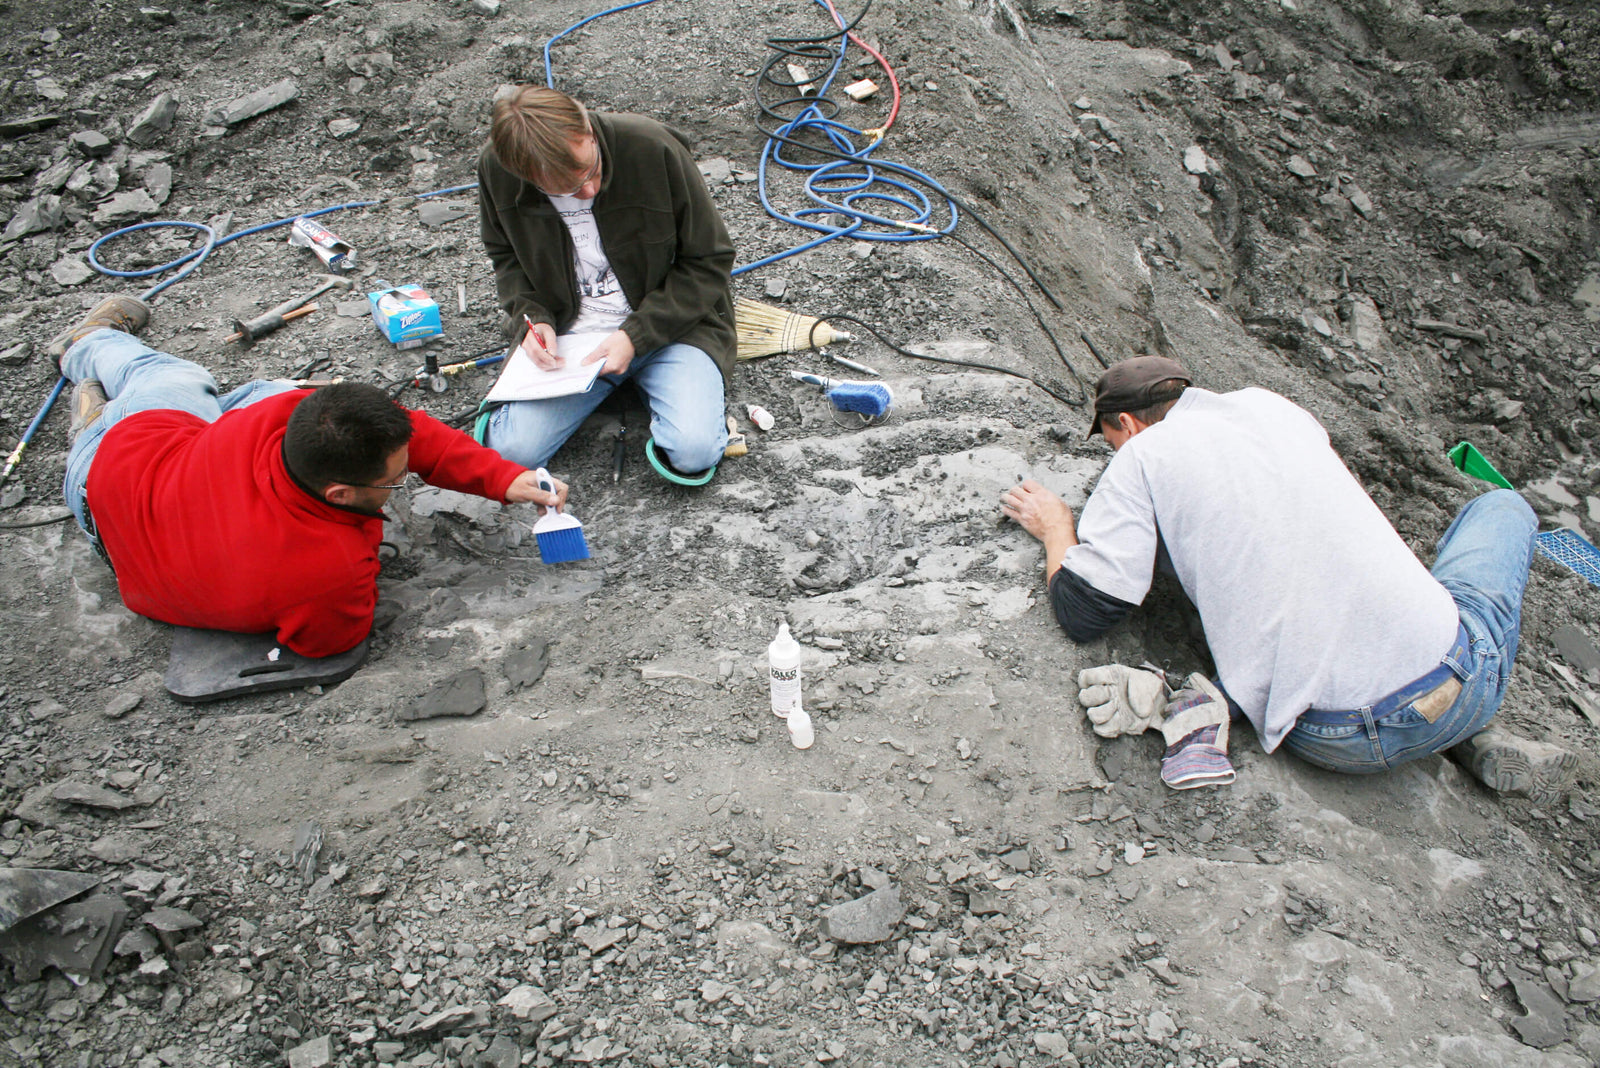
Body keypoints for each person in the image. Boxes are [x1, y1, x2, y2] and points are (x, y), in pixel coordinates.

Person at [1001, 354, 1575, 797]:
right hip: (1455, 677)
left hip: (1332, 737)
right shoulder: (1270, 406)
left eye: (1109, 442)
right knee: (1502, 510)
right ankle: (1469, 734)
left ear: (1125, 423)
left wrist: (1057, 529)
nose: (1112, 454)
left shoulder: (1142, 456)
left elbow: (1084, 612)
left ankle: (1457, 734)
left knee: (1498, 514)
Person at [49, 296, 567, 659]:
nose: (402, 483)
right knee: (171, 377)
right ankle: (86, 348)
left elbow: (408, 433)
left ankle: (99, 393)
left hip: (143, 461)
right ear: (338, 494)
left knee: (185, 382)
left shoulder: (297, 416)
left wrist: (500, 478)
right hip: (107, 473)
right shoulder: (323, 571)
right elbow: (329, 641)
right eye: (395, 482)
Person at [474, 86, 735, 485]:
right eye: (564, 188)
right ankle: (618, 389)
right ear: (524, 175)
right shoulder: (496, 170)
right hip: (571, 340)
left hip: (673, 328)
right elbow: (505, 258)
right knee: (509, 454)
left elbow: (710, 259)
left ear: (589, 132)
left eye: (589, 169)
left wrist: (636, 336)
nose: (589, 191)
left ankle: (640, 385)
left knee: (693, 453)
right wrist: (533, 319)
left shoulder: (651, 147)